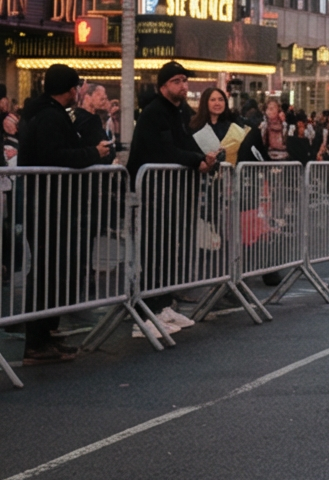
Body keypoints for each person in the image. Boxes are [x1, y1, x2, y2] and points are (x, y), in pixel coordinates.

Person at [16, 62, 106, 363]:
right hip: (49, 206)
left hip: (46, 203)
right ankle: (37, 341)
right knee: (47, 271)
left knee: (49, 270)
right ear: (71, 89)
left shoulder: (39, 113)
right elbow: (57, 156)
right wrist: (94, 153)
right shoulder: (50, 118)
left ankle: (45, 335)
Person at [126, 60, 219, 333]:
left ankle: (163, 307)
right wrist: (196, 160)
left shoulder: (178, 112)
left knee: (167, 250)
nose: (183, 85)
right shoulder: (154, 112)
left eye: (184, 80)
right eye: (177, 81)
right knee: (153, 251)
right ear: (163, 85)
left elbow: (185, 142)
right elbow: (163, 150)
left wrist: (204, 158)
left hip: (169, 192)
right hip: (151, 191)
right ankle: (145, 317)